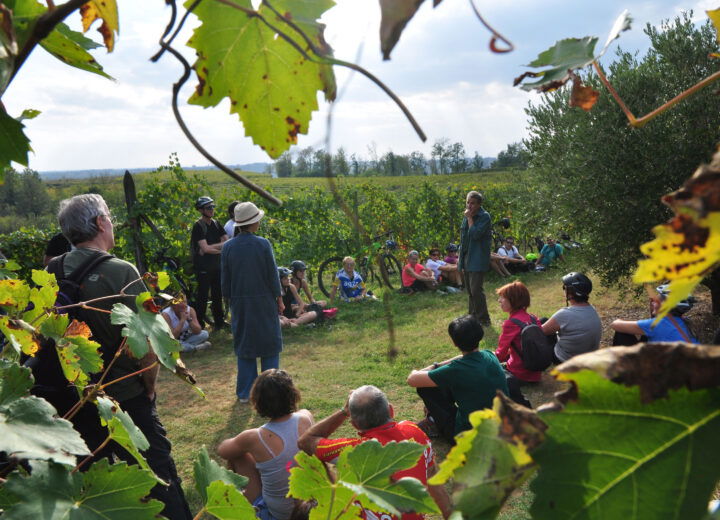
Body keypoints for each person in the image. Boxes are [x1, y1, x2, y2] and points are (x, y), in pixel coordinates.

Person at [53, 194, 192, 519]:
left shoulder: (52, 268)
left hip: (75, 398)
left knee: (95, 487)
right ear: (101, 223)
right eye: (110, 219)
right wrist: (149, 387)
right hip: (124, 398)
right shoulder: (120, 271)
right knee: (157, 476)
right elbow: (147, 339)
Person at [297, 385, 452, 520]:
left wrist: (344, 412)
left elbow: (306, 441)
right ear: (391, 410)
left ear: (355, 425)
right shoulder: (415, 433)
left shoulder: (353, 450)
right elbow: (433, 478)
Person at [218, 369, 313, 520]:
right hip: (310, 510)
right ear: (294, 395)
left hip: (278, 515)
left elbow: (223, 450)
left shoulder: (254, 437)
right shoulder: (305, 417)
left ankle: (250, 510)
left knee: (238, 456)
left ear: (257, 401)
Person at [406, 315, 508, 443]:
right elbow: (469, 357)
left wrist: (435, 365)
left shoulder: (455, 370)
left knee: (426, 388)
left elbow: (412, 379)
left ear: (455, 342)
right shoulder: (489, 355)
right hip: (503, 427)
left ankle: (435, 421)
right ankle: (433, 418)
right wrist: (441, 366)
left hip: (470, 437)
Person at [222, 201, 283, 402]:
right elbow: (273, 276)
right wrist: (279, 299)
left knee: (245, 346)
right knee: (269, 346)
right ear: (254, 222)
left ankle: (245, 393)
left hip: (240, 303)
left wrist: (229, 305)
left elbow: (225, 281)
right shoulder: (263, 244)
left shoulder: (228, 247)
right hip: (264, 301)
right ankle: (271, 392)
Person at [494, 281, 544, 408]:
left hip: (520, 373)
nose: (499, 300)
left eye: (502, 297)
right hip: (536, 371)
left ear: (513, 300)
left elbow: (500, 354)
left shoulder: (511, 323)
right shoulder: (533, 318)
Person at [542, 272, 602, 364]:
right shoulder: (592, 309)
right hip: (589, 360)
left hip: (565, 360)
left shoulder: (564, 314)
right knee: (546, 321)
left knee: (539, 327)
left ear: (570, 292)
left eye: (564, 288)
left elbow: (540, 332)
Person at [611, 284, 698, 345]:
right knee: (645, 336)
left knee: (621, 332)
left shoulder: (658, 324)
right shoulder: (686, 323)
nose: (653, 303)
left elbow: (615, 325)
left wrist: (620, 320)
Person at [191, 196, 228, 329]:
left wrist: (212, 248)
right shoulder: (198, 226)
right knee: (203, 296)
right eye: (208, 208)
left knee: (218, 294)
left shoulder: (216, 223)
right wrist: (221, 248)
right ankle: (199, 324)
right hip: (203, 267)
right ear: (201, 210)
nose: (212, 209)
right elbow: (205, 248)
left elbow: (226, 241)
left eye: (213, 206)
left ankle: (219, 322)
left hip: (216, 265)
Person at [458, 191, 492, 325]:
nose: (469, 206)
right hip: (467, 256)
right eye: (468, 202)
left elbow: (476, 234)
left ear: (479, 204)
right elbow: (463, 239)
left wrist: (470, 219)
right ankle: (472, 317)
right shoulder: (467, 216)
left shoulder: (484, 217)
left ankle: (484, 319)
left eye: (472, 203)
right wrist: (460, 261)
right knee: (470, 291)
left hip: (478, 257)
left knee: (476, 290)